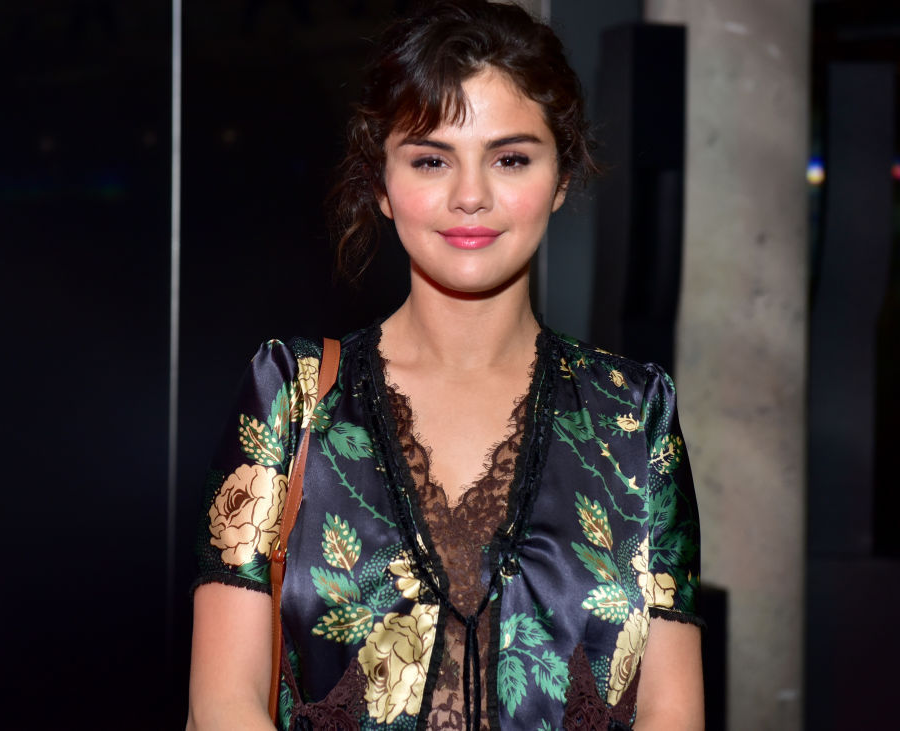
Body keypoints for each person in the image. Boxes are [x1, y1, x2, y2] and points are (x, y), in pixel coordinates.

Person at [186, 2, 703, 729]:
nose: (470, 195)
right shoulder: (291, 395)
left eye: (511, 157)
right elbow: (222, 707)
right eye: (431, 159)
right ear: (381, 184)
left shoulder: (635, 413)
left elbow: (670, 714)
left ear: (561, 177)